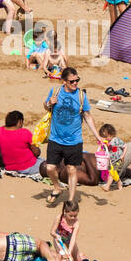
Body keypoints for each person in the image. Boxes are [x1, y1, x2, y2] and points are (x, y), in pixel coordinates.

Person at [43, 67, 105, 205]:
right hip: (55, 138)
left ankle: (70, 200)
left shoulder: (81, 96)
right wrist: (49, 103)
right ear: (64, 81)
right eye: (72, 81)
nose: (75, 83)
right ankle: (57, 187)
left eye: (77, 80)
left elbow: (88, 116)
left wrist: (97, 136)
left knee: (72, 169)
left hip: (74, 141)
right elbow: (46, 106)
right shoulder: (55, 91)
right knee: (50, 168)